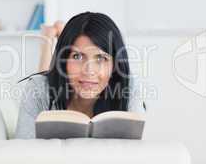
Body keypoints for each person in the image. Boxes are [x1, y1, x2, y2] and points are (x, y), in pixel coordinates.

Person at [15, 12, 146, 139]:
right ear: (63, 60)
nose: (89, 70)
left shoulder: (129, 87)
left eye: (101, 58)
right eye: (77, 56)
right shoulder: (37, 88)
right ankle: (47, 40)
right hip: (54, 83)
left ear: (114, 66)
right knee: (46, 80)